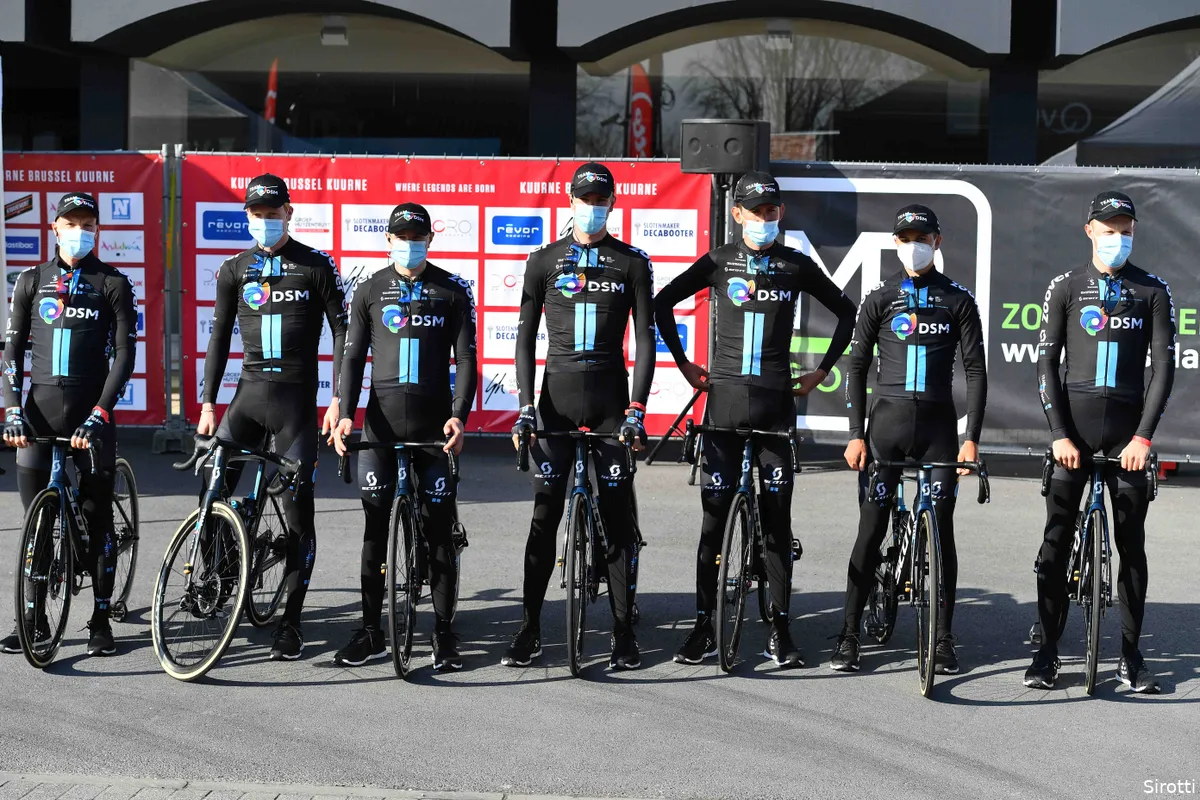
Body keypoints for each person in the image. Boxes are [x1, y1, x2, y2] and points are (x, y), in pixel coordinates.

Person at [655, 171, 857, 667]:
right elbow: (663, 303)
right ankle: (704, 627)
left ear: (779, 213)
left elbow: (848, 311)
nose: (765, 219)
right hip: (721, 405)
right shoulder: (719, 261)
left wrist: (821, 371)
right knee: (712, 523)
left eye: (773, 212)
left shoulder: (795, 265)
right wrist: (684, 364)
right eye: (756, 211)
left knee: (775, 524)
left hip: (774, 406)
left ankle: (781, 631)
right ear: (738, 213)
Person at [504, 161, 655, 670]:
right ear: (569, 202)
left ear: (613, 204)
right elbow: (525, 338)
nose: (592, 208)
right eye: (584, 199)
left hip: (611, 406)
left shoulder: (632, 262)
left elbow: (646, 339)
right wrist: (525, 406)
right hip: (555, 404)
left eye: (601, 200)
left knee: (616, 524)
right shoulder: (542, 260)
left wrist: (637, 408)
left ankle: (623, 631)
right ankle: (528, 629)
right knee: (543, 520)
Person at [1024, 192, 1175, 693]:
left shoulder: (1153, 290)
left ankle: (1131, 655)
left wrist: (1143, 438)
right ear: (1089, 230)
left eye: (1125, 229)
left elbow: (1163, 371)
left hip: (1128, 439)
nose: (1118, 237)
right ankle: (1046, 651)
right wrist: (1059, 435)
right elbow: (1046, 364)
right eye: (1108, 229)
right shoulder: (1065, 286)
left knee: (1131, 546)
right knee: (1055, 543)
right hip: (1075, 437)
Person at [831, 204, 986, 675]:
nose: (913, 244)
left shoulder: (958, 299)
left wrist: (970, 439)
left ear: (937, 242)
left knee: (941, 529)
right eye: (905, 238)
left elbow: (976, 372)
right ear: (895, 243)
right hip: (886, 429)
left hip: (939, 429)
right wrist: (855, 434)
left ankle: (943, 637)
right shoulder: (878, 298)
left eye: (922, 236)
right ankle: (849, 635)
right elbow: (856, 368)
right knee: (871, 529)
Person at [199, 173, 347, 661]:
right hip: (247, 399)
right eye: (257, 215)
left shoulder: (316, 265)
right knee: (212, 488)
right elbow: (219, 338)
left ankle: (291, 621)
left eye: (273, 213)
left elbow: (344, 335)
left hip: (295, 409)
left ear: (289, 212)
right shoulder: (233, 269)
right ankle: (218, 575)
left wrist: (340, 401)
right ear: (248, 217)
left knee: (300, 515)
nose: (265, 221)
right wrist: (205, 403)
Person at [331, 202, 477, 671]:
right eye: (401, 236)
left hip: (434, 429)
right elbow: (352, 359)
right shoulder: (369, 290)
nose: (410, 243)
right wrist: (346, 415)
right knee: (375, 530)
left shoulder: (453, 291)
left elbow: (467, 361)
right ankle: (372, 630)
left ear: (430, 239)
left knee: (438, 532)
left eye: (418, 236)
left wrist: (458, 416)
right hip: (380, 426)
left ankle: (444, 632)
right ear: (388, 241)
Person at [2, 192, 137, 657]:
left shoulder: (113, 282)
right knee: (36, 527)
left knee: (98, 521)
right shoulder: (30, 280)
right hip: (38, 415)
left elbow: (125, 355)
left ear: (96, 229)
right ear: (54, 227)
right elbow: (10, 354)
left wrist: (101, 413)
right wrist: (12, 410)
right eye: (70, 222)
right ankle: (33, 619)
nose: (79, 230)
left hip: (91, 416)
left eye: (87, 223)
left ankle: (101, 618)